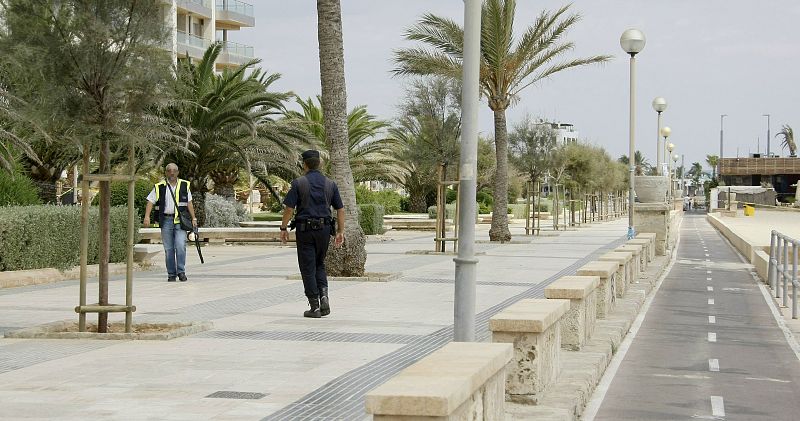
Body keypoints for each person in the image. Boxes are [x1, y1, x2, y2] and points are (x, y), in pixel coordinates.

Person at [281, 150, 345, 318]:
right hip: (324, 231)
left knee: (307, 267)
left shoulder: (298, 183)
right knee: (319, 264)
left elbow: (289, 208)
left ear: (305, 164)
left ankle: (314, 306)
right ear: (320, 164)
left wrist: (283, 228)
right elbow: (340, 209)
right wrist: (340, 231)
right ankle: (324, 298)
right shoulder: (330, 184)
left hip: (305, 231)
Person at [143, 163, 197, 282]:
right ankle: (171, 274)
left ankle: (181, 271)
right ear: (166, 172)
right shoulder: (159, 186)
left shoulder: (184, 185)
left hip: (180, 221)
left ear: (178, 172)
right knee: (169, 249)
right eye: (169, 171)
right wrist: (147, 216)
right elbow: (150, 201)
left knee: (180, 246)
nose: (172, 173)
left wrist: (194, 218)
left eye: (174, 171)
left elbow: (189, 203)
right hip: (166, 220)